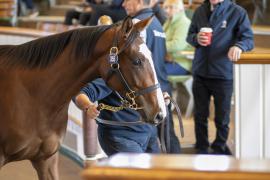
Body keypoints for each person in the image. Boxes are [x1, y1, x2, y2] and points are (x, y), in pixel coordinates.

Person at [74, 0, 180, 156]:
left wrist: (155, 93)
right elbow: (81, 93)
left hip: (144, 125)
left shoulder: (140, 27)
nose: (123, 4)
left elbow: (148, 64)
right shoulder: (156, 23)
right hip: (124, 132)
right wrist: (89, 107)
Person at [186, 0, 254, 154]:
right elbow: (189, 36)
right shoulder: (200, 11)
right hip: (200, 72)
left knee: (222, 118)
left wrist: (239, 46)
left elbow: (249, 39)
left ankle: (219, 148)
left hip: (223, 74)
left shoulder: (237, 12)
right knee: (200, 116)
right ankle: (201, 147)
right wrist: (196, 38)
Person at [163, 0, 192, 75]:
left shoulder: (184, 23)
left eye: (171, 7)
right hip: (167, 59)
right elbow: (160, 39)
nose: (167, 10)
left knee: (155, 74)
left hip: (180, 62)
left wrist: (158, 46)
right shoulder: (168, 22)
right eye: (166, 7)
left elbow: (177, 45)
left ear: (180, 9)